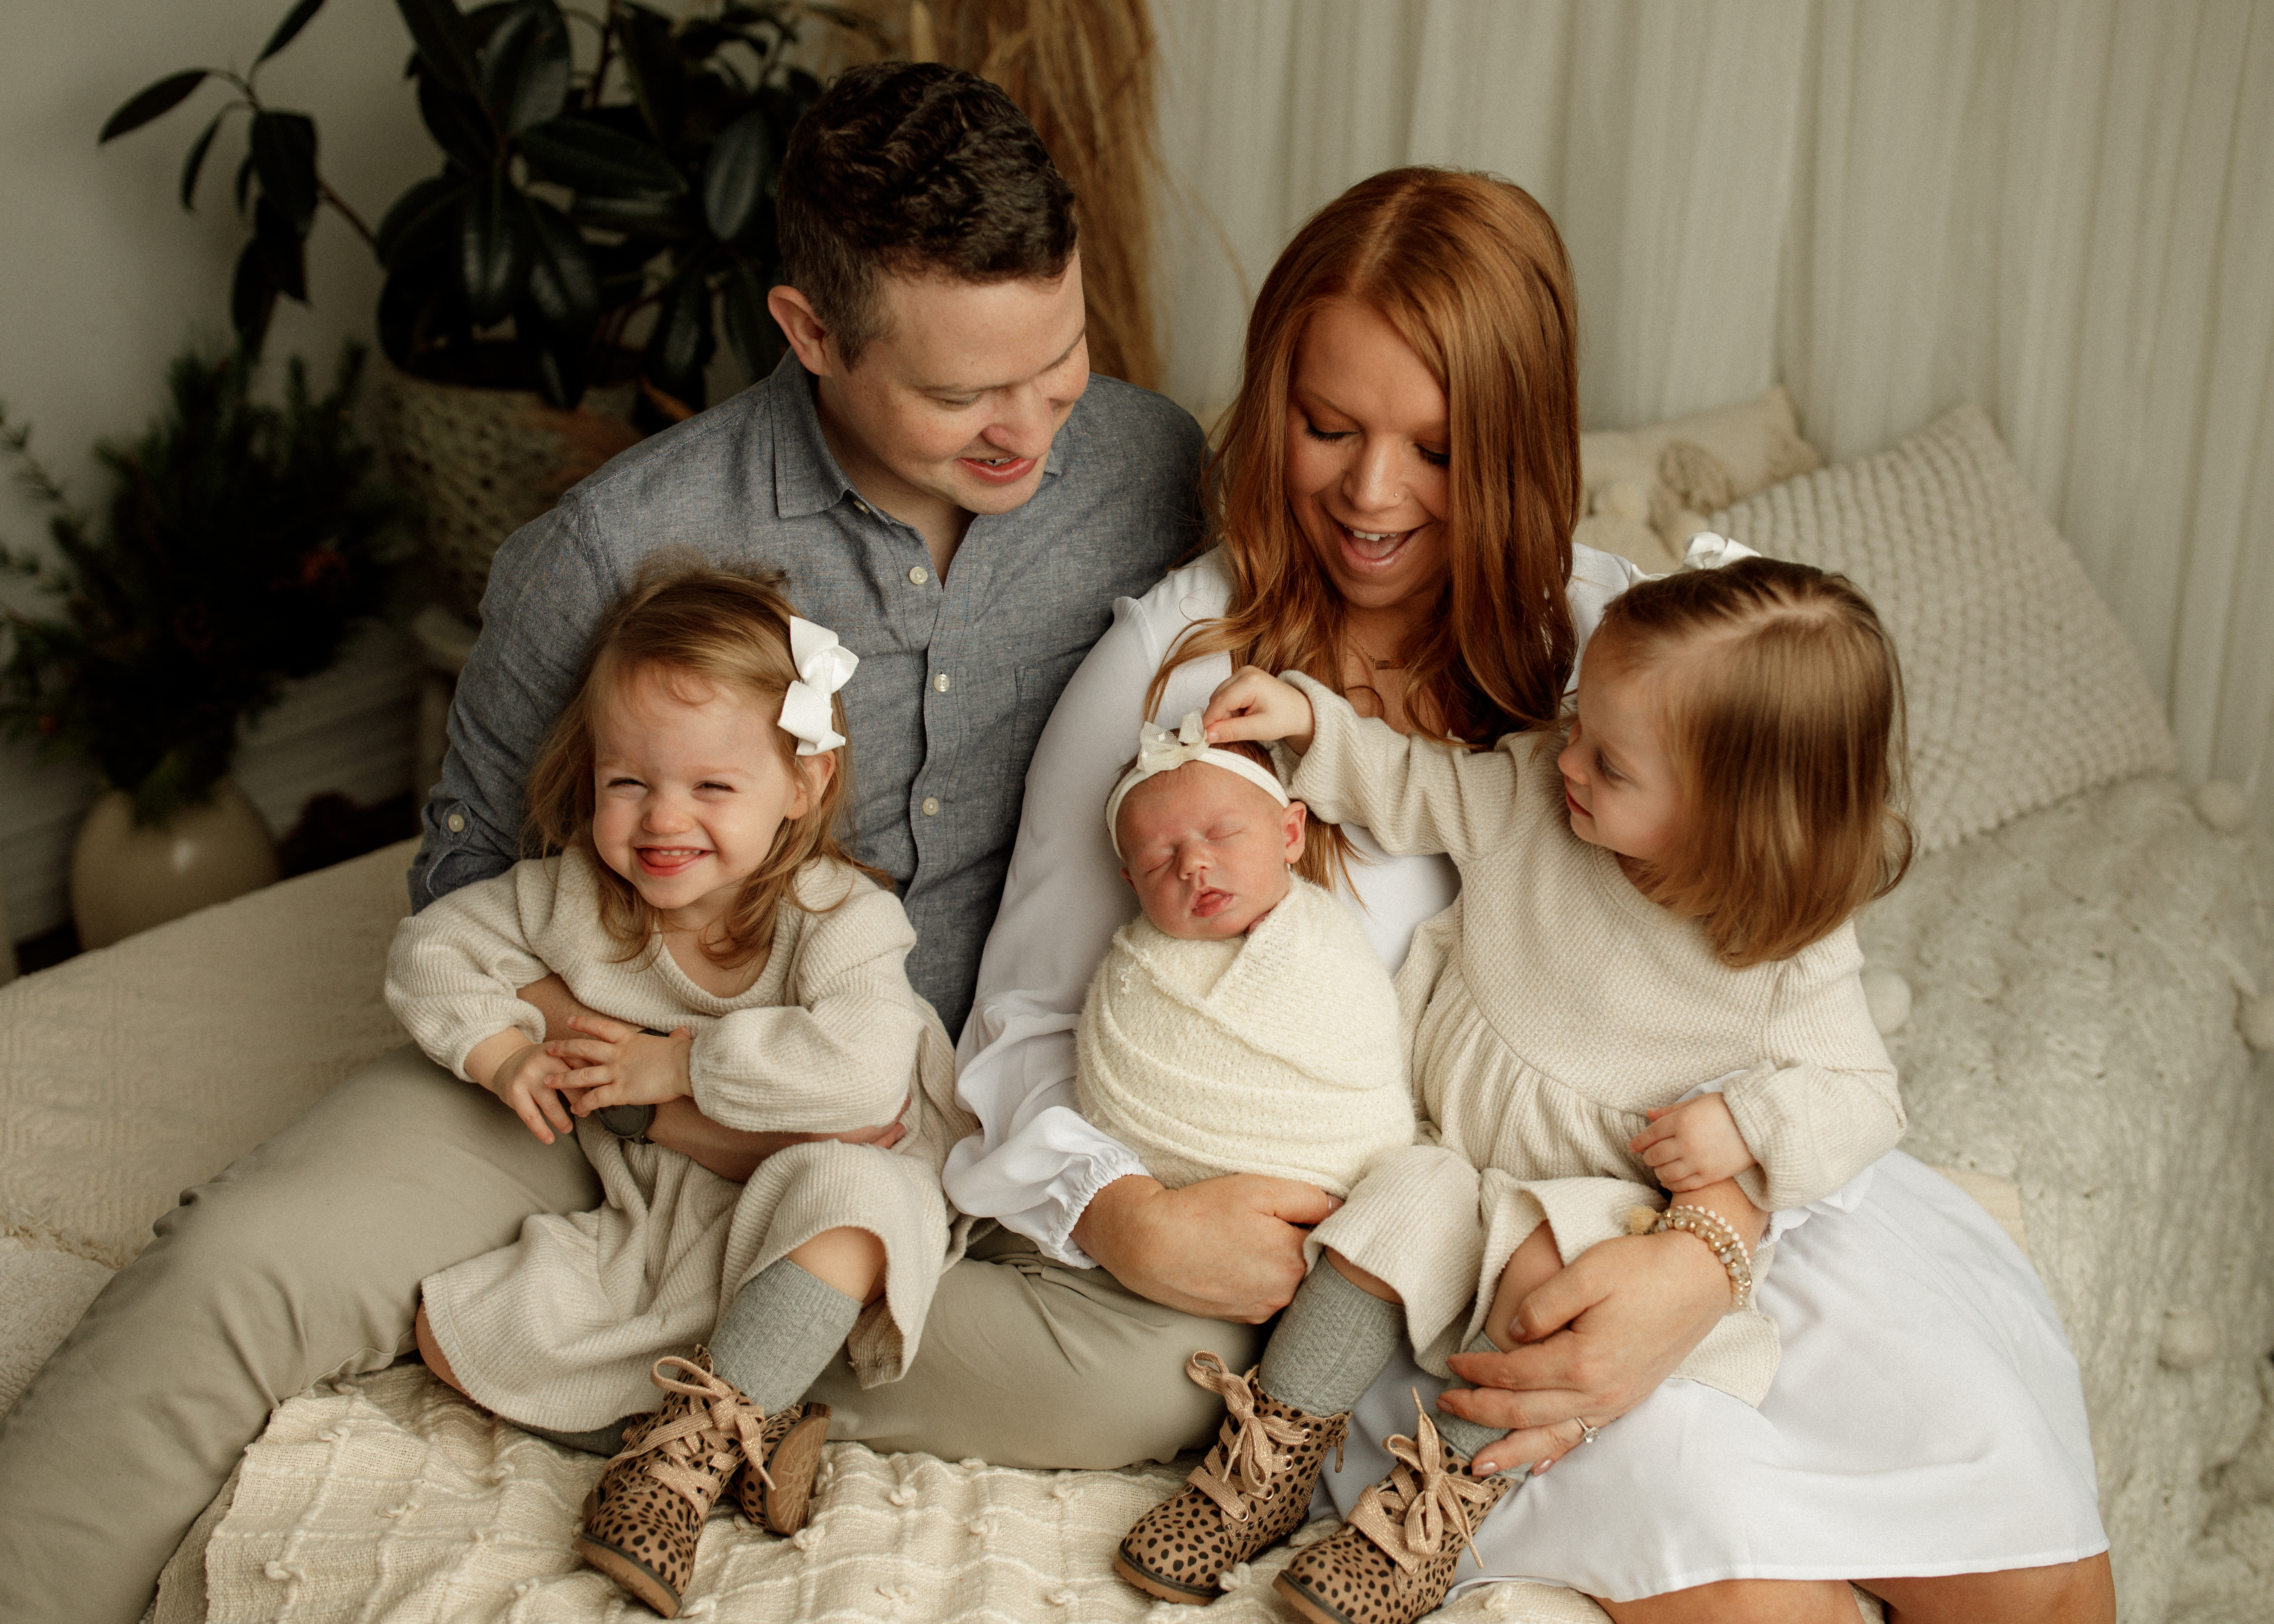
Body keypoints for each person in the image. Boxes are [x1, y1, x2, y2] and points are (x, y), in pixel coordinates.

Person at [0, 62, 1213, 1624]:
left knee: (1156, 1375)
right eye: (962, 395)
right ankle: (704, 1361)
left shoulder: (1150, 470)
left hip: (914, 1112)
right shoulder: (613, 545)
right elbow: (470, 891)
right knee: (242, 1260)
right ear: (808, 332)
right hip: (609, 1076)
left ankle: (607, 1349)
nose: (1029, 428)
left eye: (1057, 364)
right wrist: (663, 1095)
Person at [953, 168, 2116, 1621]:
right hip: (1457, 1258)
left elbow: (1775, 958)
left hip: (1731, 1207)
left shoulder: (1612, 631)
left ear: (1515, 442)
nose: (1370, 494)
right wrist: (1123, 1216)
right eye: (1324, 426)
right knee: (1757, 1595)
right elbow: (1012, 1040)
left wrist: (1709, 1246)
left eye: (1433, 448)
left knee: (2032, 1570)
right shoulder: (1178, 673)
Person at [388, 564, 976, 1615]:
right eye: (629, 782)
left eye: (712, 787)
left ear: (799, 785)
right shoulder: (575, 896)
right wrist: (503, 1052)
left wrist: (677, 1060)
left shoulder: (840, 914)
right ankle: (753, 1410)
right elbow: (431, 949)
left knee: (860, 1199)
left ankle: (683, 1455)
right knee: (456, 1332)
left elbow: (863, 1080)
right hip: (671, 1198)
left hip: (834, 1189)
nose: (663, 819)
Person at [1076, 716, 1413, 1201]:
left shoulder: (1326, 939)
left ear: (1290, 834)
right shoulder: (1135, 970)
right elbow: (1106, 1087)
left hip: (1343, 1180)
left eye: (1223, 832)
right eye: (1157, 861)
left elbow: (1366, 1043)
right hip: (1191, 1208)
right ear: (1133, 885)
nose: (1192, 863)